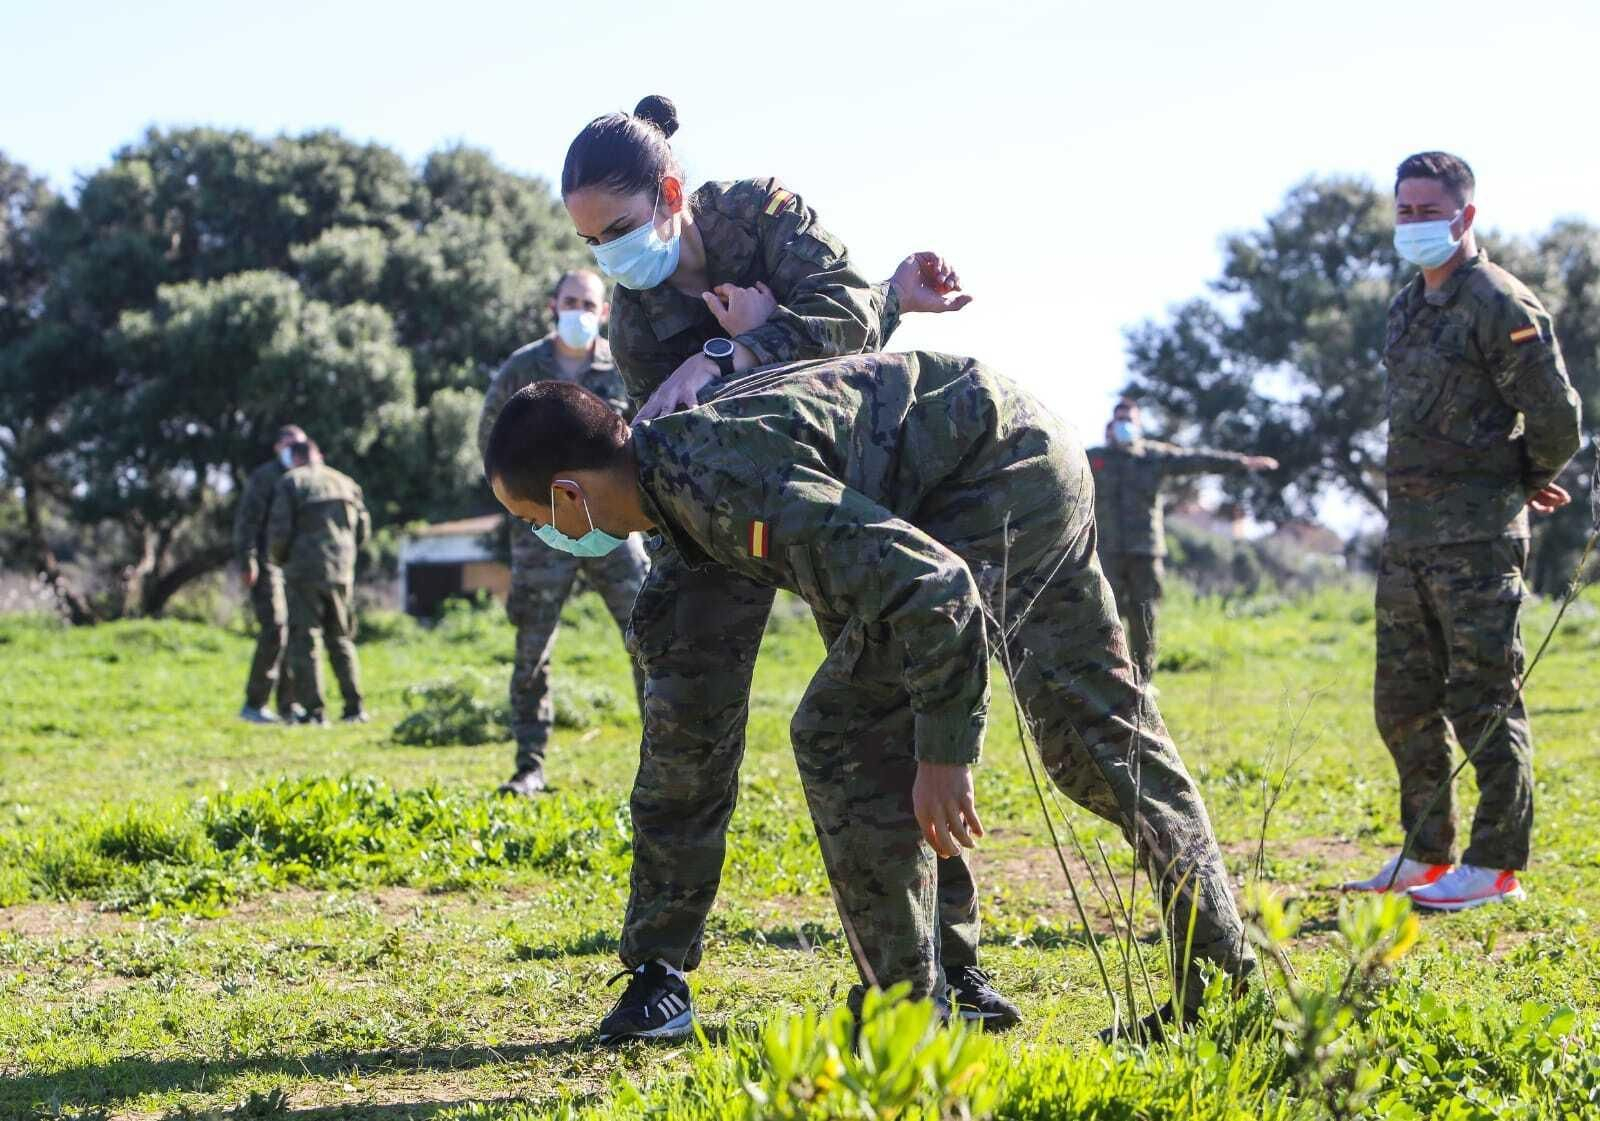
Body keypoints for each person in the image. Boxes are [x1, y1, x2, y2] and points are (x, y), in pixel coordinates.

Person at [483, 353, 1258, 1044]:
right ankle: (1225, 993)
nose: (548, 535)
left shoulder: (717, 485)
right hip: (1028, 443)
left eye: (535, 520)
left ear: (568, 493)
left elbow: (933, 587)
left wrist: (945, 752)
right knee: (1104, 738)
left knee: (838, 734)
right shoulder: (679, 464)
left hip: (991, 476)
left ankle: (910, 1011)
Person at [558, 94, 1007, 1039]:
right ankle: (659, 969)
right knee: (680, 718)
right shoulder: (635, 319)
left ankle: (946, 963)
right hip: (713, 507)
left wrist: (735, 348)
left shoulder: (757, 213)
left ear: (670, 193)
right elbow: (675, 436)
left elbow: (848, 318)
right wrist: (769, 340)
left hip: (833, 490)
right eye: (592, 242)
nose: (610, 258)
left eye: (620, 229)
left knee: (884, 718)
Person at [1342, 152, 1581, 910]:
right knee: (1403, 700)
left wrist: (1517, 477)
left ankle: (1496, 862)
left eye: (1428, 210)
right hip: (1408, 535)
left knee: (1484, 698)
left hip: (1478, 539)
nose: (1414, 223)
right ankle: (1425, 850)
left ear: (1465, 216)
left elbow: (1558, 420)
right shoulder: (1408, 303)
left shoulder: (1500, 303)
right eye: (1404, 211)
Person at [477, 270, 651, 797]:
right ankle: (529, 765)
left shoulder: (623, 362)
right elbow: (491, 443)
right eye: (568, 301)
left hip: (614, 529)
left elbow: (646, 431)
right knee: (532, 646)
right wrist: (528, 507)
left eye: (588, 302)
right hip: (541, 535)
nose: (577, 310)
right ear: (553, 305)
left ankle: (664, 757)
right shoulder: (521, 368)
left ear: (603, 311)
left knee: (649, 633)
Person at [1087, 399, 1278, 682]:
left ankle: (1144, 681)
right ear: (1110, 426)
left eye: (1130, 420)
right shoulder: (1094, 458)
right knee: (1104, 614)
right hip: (1107, 552)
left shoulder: (1153, 457)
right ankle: (1108, 678)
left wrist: (1242, 463)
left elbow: (1196, 459)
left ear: (1139, 425)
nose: (1125, 425)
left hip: (1146, 550)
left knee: (1145, 614)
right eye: (1120, 420)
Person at [268, 440, 372, 726]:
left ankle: (315, 711)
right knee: (341, 638)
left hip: (304, 571)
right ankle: (355, 707)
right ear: (320, 455)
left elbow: (279, 530)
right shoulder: (346, 483)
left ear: (296, 458)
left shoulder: (292, 482)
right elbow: (363, 530)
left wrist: (279, 560)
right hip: (341, 572)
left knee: (305, 639)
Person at [232, 424, 306, 723]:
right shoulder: (264, 477)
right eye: (289, 444)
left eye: (299, 444)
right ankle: (254, 703)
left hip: (294, 566)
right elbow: (247, 523)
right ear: (278, 447)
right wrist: (248, 560)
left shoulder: (302, 477)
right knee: (275, 627)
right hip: (266, 564)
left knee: (292, 630)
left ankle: (289, 705)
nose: (294, 450)